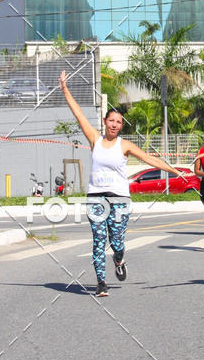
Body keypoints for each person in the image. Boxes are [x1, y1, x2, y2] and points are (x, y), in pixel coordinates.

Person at [59, 70, 185, 297]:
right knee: (99, 240)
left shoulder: (125, 145)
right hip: (96, 198)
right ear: (105, 122)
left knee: (116, 242)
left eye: (118, 122)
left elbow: (150, 159)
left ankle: (119, 260)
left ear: (121, 126)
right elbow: (79, 115)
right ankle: (101, 282)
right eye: (111, 121)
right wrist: (65, 90)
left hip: (119, 200)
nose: (114, 124)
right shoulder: (95, 139)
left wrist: (175, 171)